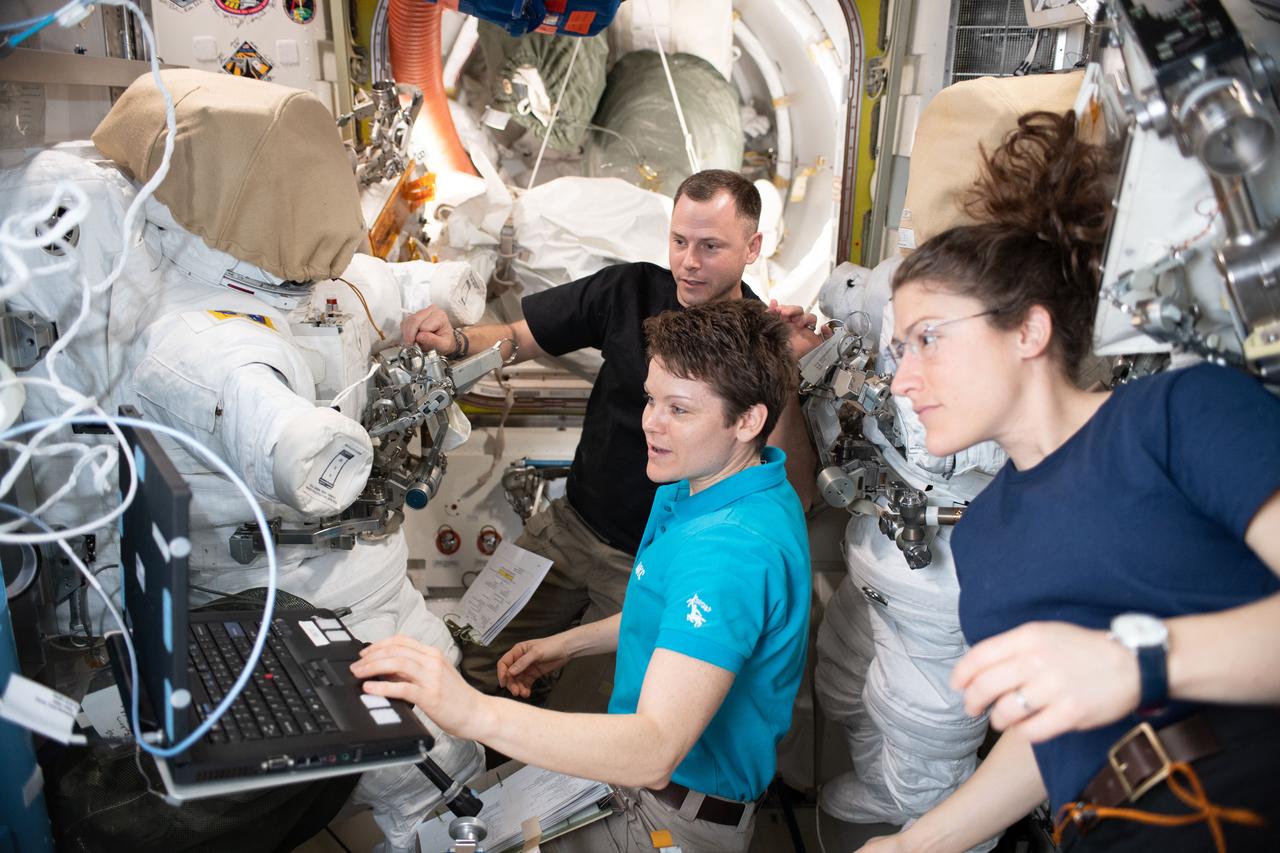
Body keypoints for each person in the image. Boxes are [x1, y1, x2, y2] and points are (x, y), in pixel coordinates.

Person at [860, 110, 1280, 852]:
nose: (905, 381)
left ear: (1029, 329)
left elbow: (1109, 676)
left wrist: (1141, 661)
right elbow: (1052, 736)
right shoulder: (985, 536)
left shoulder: (1177, 416)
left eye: (927, 338)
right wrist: (913, 843)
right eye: (899, 351)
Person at [355, 299, 811, 852]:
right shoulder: (728, 483)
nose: (650, 423)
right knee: (437, 834)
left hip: (666, 815)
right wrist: (569, 643)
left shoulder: (730, 550)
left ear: (748, 420)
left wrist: (471, 710)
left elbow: (654, 748)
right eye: (650, 398)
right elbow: (679, 619)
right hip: (638, 785)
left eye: (680, 410)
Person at [401, 169, 819, 713]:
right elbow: (520, 338)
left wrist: (784, 366)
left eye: (711, 246)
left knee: (598, 713)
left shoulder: (759, 344)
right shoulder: (630, 291)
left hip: (653, 562)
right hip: (569, 526)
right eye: (679, 241)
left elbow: (795, 490)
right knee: (472, 653)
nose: (689, 261)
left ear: (752, 247)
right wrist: (457, 340)